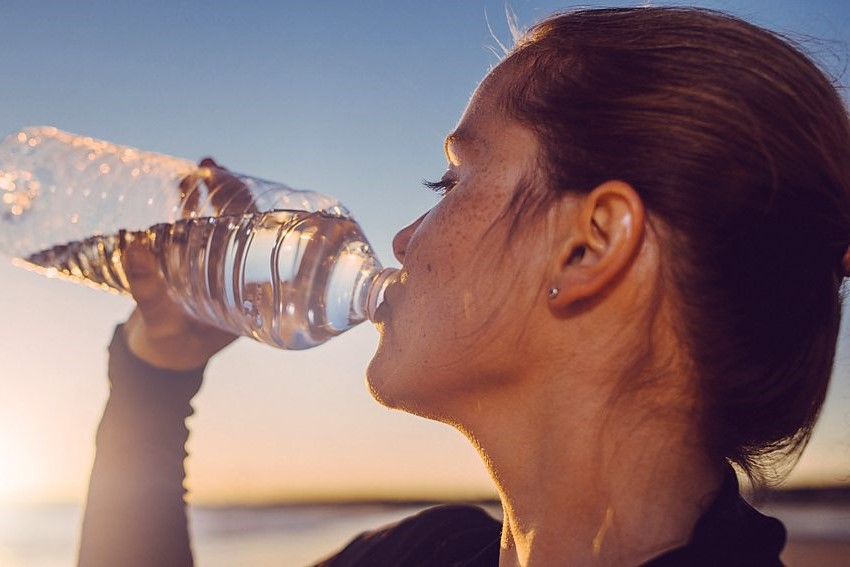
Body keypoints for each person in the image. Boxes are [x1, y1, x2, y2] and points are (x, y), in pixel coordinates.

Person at [77, 6, 850, 567]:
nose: (405, 238)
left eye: (451, 179)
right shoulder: (422, 554)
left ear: (588, 246)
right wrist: (157, 374)